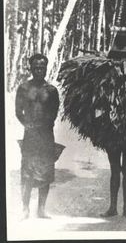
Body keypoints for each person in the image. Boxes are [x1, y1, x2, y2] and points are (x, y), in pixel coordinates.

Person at [15, 54, 60, 219]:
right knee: (27, 172)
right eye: (36, 68)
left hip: (46, 135)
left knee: (45, 171)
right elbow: (18, 111)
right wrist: (27, 125)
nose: (39, 71)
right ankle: (25, 209)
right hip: (30, 135)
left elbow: (54, 112)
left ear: (46, 69)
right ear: (31, 68)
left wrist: (45, 125)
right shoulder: (24, 88)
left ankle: (41, 209)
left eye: (42, 68)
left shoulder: (52, 90)